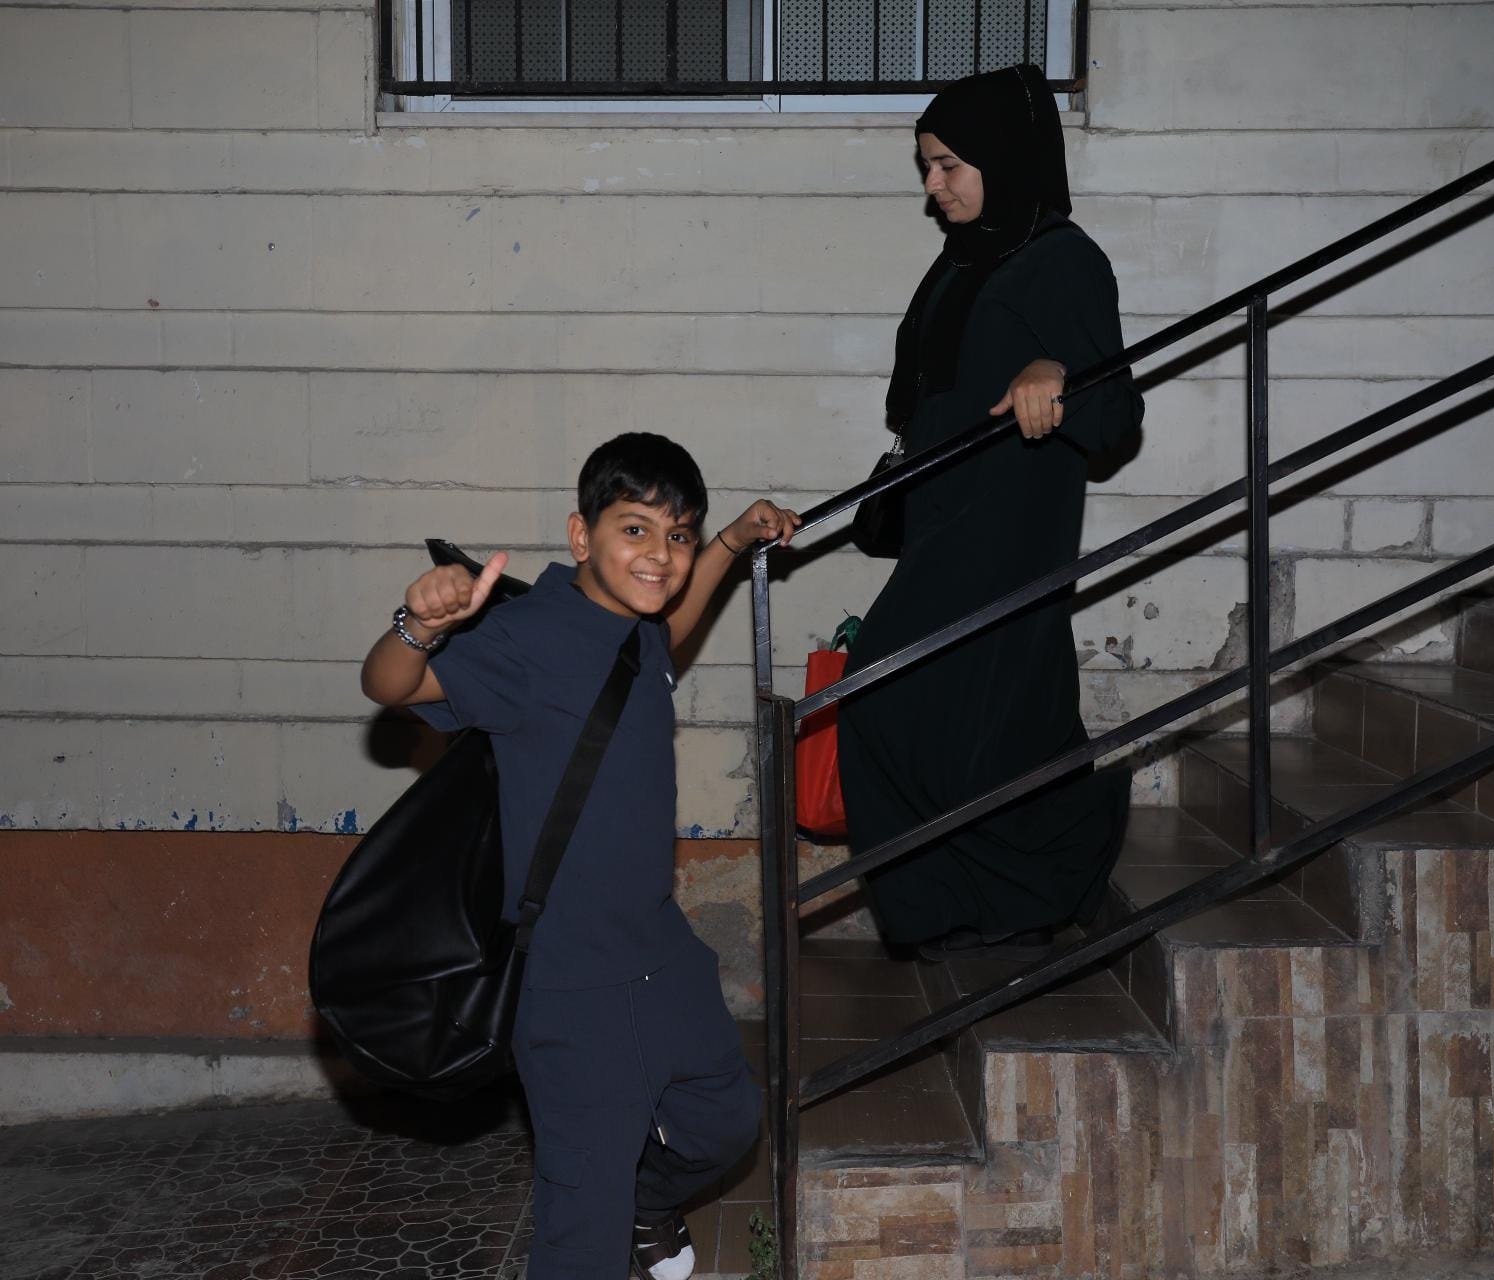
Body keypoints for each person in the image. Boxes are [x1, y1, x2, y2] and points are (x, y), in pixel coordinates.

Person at [360, 433, 799, 1280]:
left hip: (659, 952)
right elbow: (391, 686)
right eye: (635, 529)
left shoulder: (638, 630)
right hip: (570, 985)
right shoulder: (526, 636)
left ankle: (647, 1203)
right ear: (580, 535)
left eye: (676, 535)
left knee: (727, 1125)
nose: (660, 555)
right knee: (580, 1232)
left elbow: (672, 630)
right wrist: (416, 626)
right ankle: (611, 1219)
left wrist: (731, 539)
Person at [836, 64, 1144, 964]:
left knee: (887, 695)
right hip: (949, 513)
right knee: (999, 718)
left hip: (1010, 519)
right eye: (927, 167)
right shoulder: (968, 258)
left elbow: (1114, 410)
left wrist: (1057, 374)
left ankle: (1004, 889)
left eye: (948, 166)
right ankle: (993, 907)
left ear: (1004, 158)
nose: (934, 187)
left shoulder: (1064, 260)